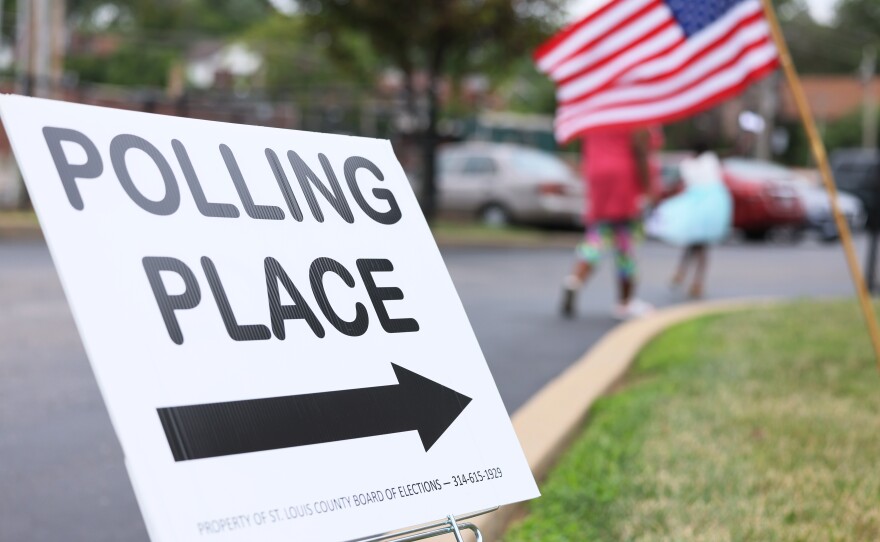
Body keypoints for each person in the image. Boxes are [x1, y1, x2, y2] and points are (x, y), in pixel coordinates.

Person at [560, 126, 660, 320]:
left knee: (597, 236)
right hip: (625, 178)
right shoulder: (633, 109)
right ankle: (625, 302)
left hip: (598, 177)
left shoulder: (599, 109)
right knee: (625, 243)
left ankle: (575, 280)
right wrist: (648, 189)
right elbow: (640, 148)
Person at [647, 141, 732, 298]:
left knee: (694, 245)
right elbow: (731, 152)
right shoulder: (710, 160)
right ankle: (694, 281)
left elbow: (676, 182)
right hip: (709, 208)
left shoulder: (688, 164)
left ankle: (683, 276)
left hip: (696, 208)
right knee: (699, 247)